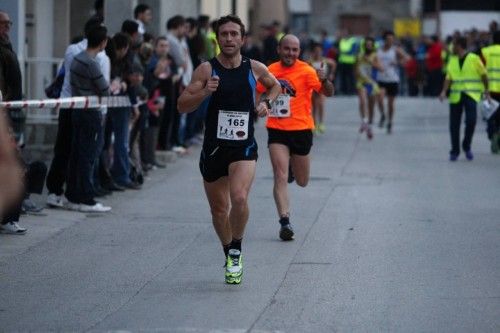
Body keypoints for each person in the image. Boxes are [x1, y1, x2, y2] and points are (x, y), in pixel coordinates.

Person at [177, 15, 281, 284]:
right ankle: (228, 252)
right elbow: (182, 105)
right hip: (213, 149)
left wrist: (266, 104)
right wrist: (204, 93)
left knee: (239, 198)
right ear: (217, 39)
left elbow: (276, 86)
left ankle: (236, 249)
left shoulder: (254, 67)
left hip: (243, 146)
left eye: (234, 34)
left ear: (242, 39)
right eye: (224, 34)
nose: (229, 38)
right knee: (219, 210)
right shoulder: (205, 70)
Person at [256, 34, 334, 241]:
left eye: (294, 50)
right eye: (286, 49)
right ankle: (285, 221)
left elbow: (328, 93)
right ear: (279, 49)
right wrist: (259, 106)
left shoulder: (307, 71)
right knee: (280, 176)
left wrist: (324, 79)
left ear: (299, 52)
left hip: (301, 130)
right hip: (277, 129)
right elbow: (258, 92)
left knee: (302, 181)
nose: (290, 53)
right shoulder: (269, 70)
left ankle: (293, 166)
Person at [46, 17, 110, 208]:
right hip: (86, 108)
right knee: (83, 153)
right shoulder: (96, 58)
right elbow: (103, 88)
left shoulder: (72, 51)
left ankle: (62, 191)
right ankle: (79, 194)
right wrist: (103, 110)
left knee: (67, 150)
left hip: (69, 105)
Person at [66, 24, 111, 212]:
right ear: (103, 42)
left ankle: (74, 195)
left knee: (77, 154)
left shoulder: (77, 58)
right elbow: (104, 89)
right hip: (90, 112)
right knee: (88, 156)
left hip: (78, 110)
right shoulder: (91, 63)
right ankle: (87, 198)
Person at [439, 36, 489, 161]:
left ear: (459, 46)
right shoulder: (452, 60)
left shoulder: (474, 58)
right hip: (456, 96)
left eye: (454, 45)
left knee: (471, 121)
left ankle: (466, 146)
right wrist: (444, 91)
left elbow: (483, 74)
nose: (451, 47)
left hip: (471, 95)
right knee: (454, 125)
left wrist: (486, 90)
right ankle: (454, 151)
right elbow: (448, 77)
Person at [376, 30, 409, 133]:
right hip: (381, 78)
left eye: (392, 39)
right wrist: (377, 66)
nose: (390, 41)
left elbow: (407, 58)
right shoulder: (378, 50)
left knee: (390, 103)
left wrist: (398, 62)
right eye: (388, 39)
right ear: (384, 40)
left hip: (393, 79)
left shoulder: (395, 50)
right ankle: (382, 115)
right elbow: (373, 61)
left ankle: (390, 122)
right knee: (380, 99)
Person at [355, 37, 383, 139]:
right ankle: (364, 121)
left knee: (371, 105)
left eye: (370, 45)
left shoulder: (375, 56)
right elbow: (356, 68)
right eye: (366, 45)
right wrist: (357, 74)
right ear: (364, 46)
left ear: (373, 46)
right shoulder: (359, 56)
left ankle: (370, 125)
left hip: (372, 83)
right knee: (362, 101)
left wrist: (371, 62)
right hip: (362, 82)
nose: (368, 46)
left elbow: (381, 68)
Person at [308, 42, 336, 134]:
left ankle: (321, 123)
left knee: (321, 104)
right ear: (313, 52)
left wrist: (332, 74)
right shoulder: (310, 62)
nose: (318, 53)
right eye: (316, 51)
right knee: (314, 105)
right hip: (313, 85)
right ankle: (314, 124)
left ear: (322, 52)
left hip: (322, 85)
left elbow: (334, 63)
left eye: (319, 51)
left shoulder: (325, 61)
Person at [481, 31, 500, 153]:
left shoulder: (485, 52)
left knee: (490, 115)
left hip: (490, 89)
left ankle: (492, 133)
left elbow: (480, 69)